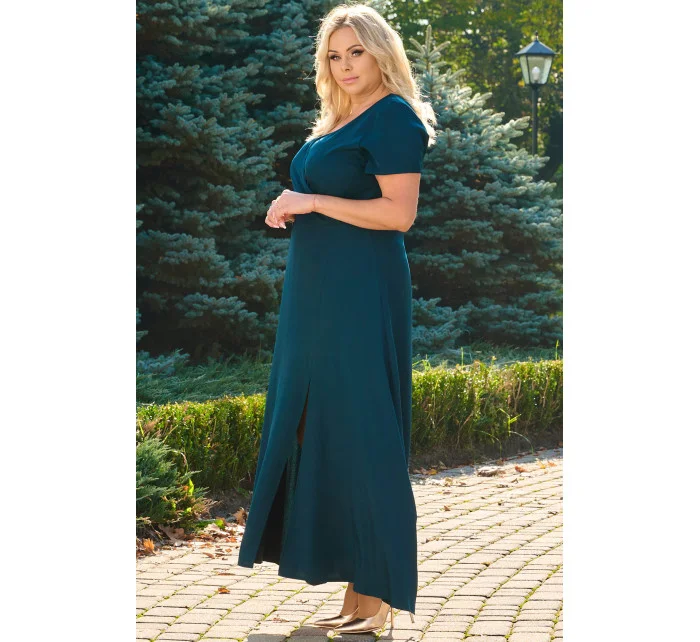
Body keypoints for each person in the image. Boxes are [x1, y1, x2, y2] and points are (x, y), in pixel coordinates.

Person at [236, 3, 436, 635]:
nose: (346, 65)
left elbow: (398, 214)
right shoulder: (340, 119)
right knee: (315, 426)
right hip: (315, 296)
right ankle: (357, 587)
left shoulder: (394, 116)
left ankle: (379, 590)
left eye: (357, 52)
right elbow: (329, 197)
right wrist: (295, 203)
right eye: (334, 55)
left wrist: (313, 199)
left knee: (363, 430)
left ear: (381, 52)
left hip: (359, 293)